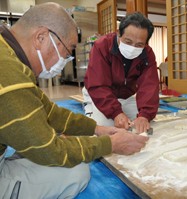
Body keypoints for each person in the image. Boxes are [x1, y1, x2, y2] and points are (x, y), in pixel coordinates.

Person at [0, 3, 149, 199]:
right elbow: (50, 150)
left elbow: (50, 112)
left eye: (140, 44)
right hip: (105, 100)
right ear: (41, 38)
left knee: (57, 139)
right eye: (67, 51)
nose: (64, 61)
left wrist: (97, 129)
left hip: (125, 97)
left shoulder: (9, 54)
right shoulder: (11, 77)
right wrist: (109, 142)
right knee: (76, 171)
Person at [82, 12, 159, 134]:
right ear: (118, 33)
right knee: (106, 127)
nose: (133, 47)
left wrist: (144, 115)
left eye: (139, 45)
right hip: (98, 93)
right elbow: (98, 85)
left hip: (126, 95)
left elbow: (149, 86)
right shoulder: (101, 46)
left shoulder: (147, 54)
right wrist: (116, 112)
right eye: (128, 42)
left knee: (144, 123)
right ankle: (89, 106)